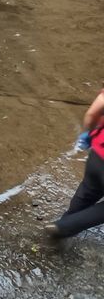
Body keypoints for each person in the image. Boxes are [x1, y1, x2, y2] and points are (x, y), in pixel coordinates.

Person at [46, 88, 104, 237]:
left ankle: (63, 225)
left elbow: (92, 113)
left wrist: (88, 134)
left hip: (97, 155)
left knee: (88, 192)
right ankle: (63, 227)